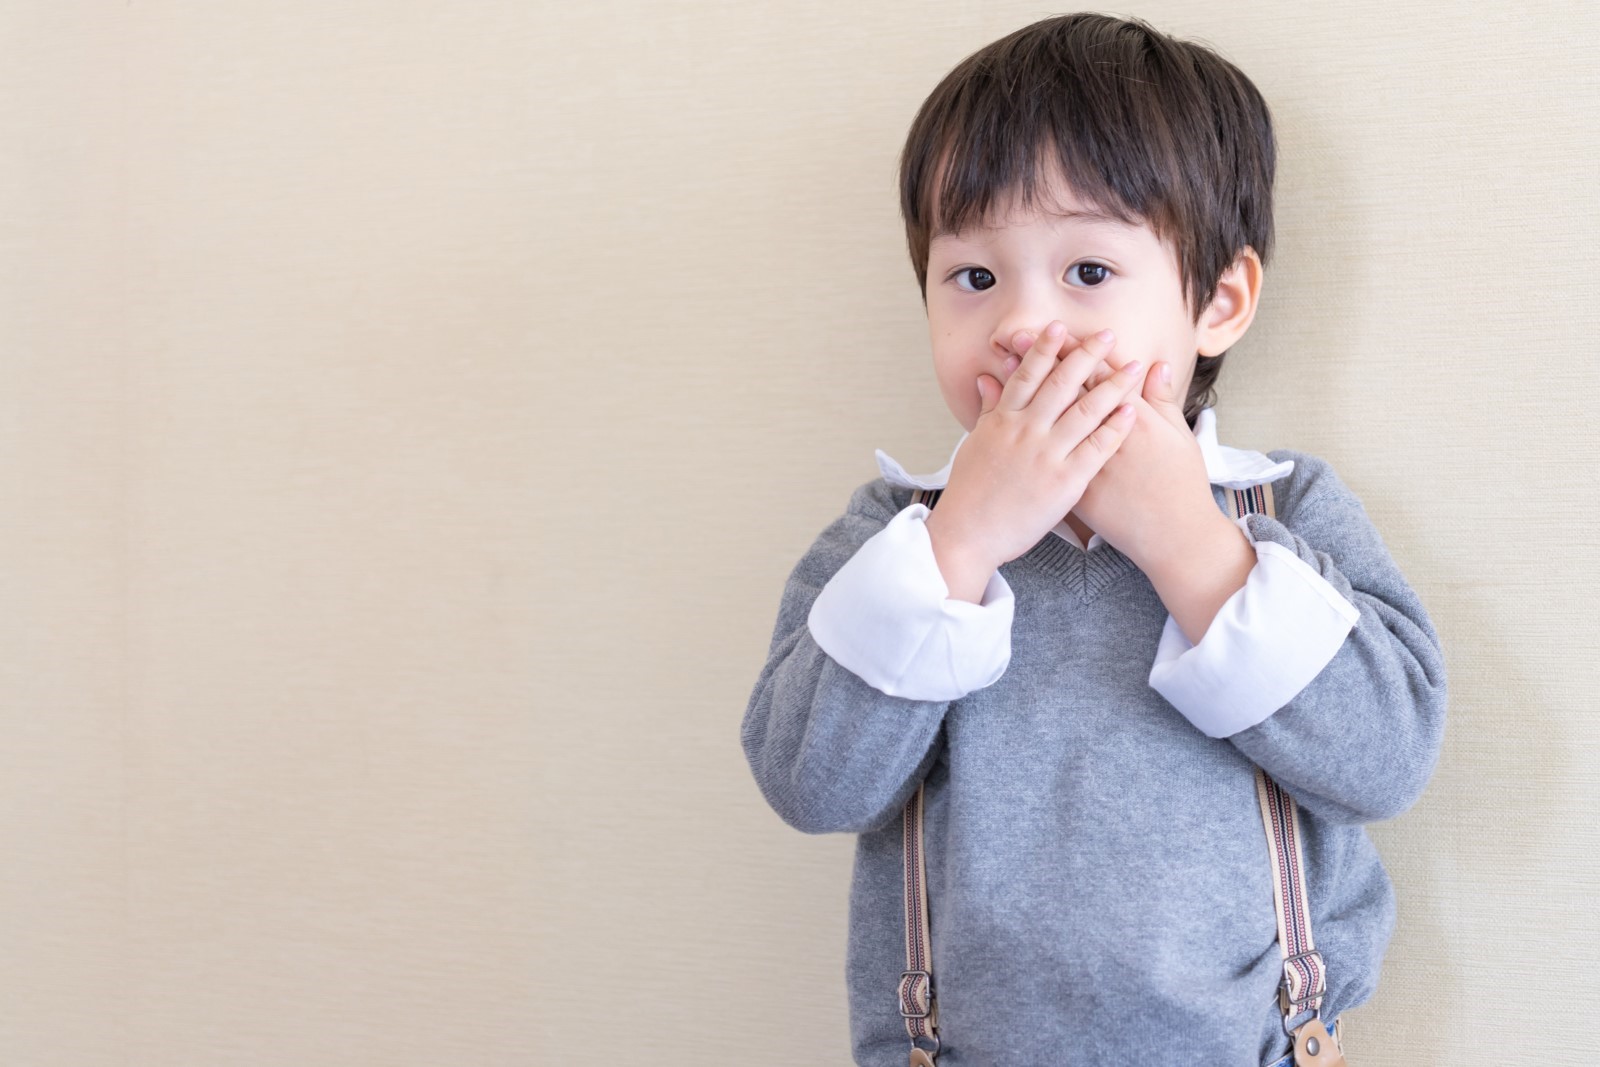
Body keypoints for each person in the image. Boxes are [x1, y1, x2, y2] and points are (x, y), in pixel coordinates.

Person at [739, 13, 1447, 1066]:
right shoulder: (894, 538)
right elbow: (808, 779)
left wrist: (1187, 542)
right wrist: (962, 538)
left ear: (1216, 300)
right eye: (972, 277)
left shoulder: (1280, 510)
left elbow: (1383, 760)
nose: (1023, 323)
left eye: (1086, 272)